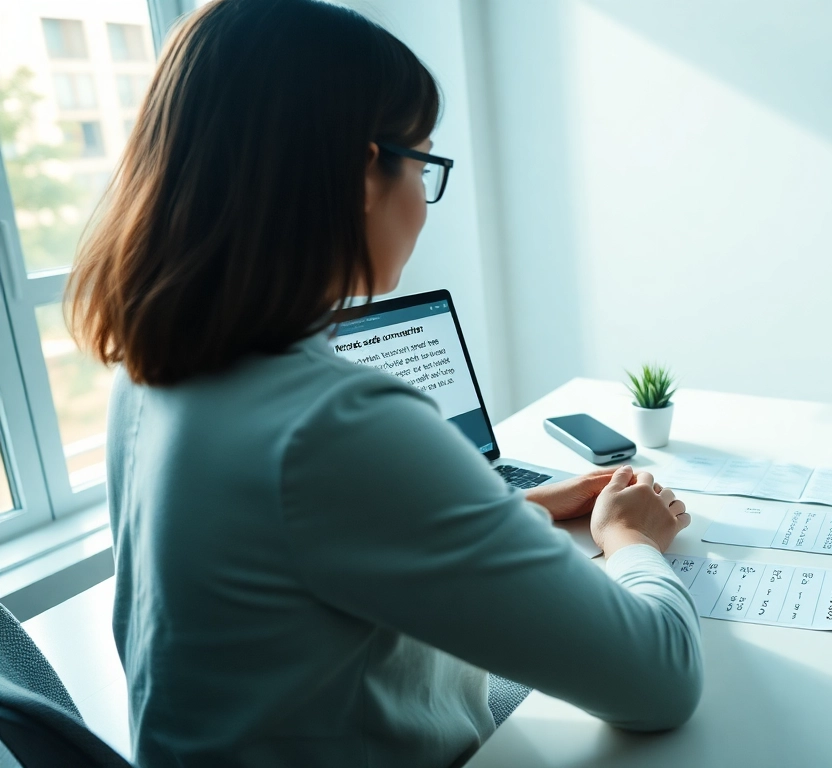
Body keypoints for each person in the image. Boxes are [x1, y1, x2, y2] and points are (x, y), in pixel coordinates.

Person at [64, 1, 702, 765]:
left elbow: (305, 539)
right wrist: (630, 538)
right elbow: (661, 681)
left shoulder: (154, 374)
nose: (426, 203)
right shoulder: (334, 424)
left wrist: (517, 508)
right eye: (425, 162)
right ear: (365, 172)